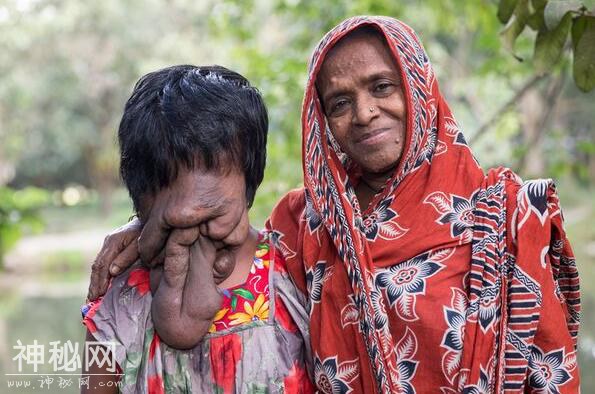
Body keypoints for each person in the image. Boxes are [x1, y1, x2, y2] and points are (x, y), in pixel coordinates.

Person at [87, 16, 581, 393]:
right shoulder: (308, 224)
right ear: (321, 119)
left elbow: (550, 368)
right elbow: (213, 215)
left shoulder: (509, 215)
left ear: (419, 86)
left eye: (383, 87)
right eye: (339, 103)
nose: (365, 113)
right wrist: (148, 220)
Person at [81, 64, 312, 393]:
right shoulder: (122, 298)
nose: (188, 216)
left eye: (209, 211)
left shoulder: (294, 273)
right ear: (142, 200)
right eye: (172, 218)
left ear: (249, 179)